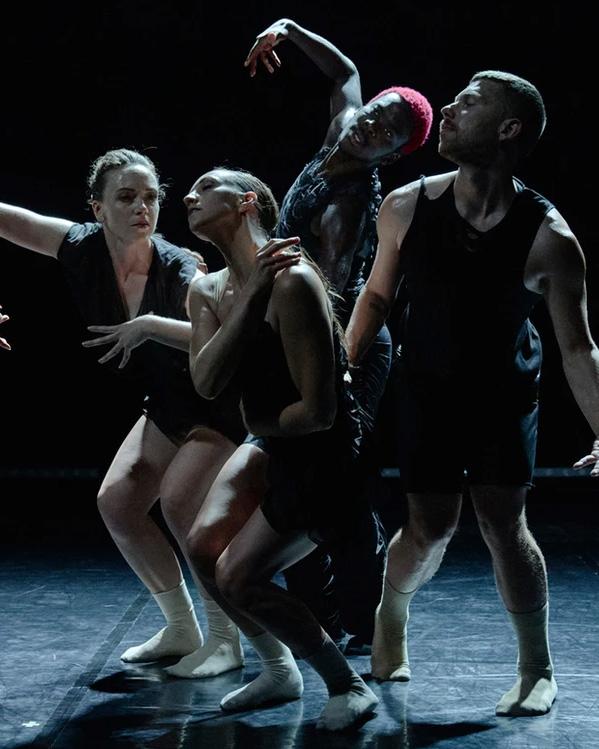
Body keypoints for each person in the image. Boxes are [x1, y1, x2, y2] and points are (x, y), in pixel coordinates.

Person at [347, 70, 599, 717]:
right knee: (429, 526)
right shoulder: (406, 205)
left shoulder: (548, 236)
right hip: (426, 386)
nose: (449, 108)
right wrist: (343, 368)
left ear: (508, 129)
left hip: (502, 395)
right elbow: (376, 297)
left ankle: (536, 668)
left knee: (502, 523)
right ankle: (390, 615)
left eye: (469, 102)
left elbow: (578, 348)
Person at [0, 149, 245, 677]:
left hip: (218, 401)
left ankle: (227, 639)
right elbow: (7, 219)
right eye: (127, 197)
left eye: (151, 198)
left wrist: (150, 324)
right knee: (119, 502)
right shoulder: (80, 247)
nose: (142, 208)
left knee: (181, 507)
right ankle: (181, 627)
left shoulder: (181, 267)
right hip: (169, 402)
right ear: (97, 208)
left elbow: (222, 341)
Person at [244, 18, 433, 650]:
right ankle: (322, 615)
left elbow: (329, 293)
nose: (370, 125)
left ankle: (363, 617)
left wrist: (333, 368)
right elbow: (346, 71)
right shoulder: (343, 129)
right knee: (300, 478)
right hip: (308, 332)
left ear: (392, 154)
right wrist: (288, 29)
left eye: (386, 132)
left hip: (347, 341)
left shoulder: (349, 203)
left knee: (334, 484)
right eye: (375, 113)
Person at [181, 166, 379, 730]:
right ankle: (278, 669)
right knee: (202, 547)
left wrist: (259, 422)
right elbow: (206, 381)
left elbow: (319, 413)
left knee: (238, 578)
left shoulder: (294, 280)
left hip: (321, 453)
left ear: (247, 201)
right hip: (271, 438)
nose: (189, 196)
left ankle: (348, 685)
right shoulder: (207, 289)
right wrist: (248, 298)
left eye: (206, 186)